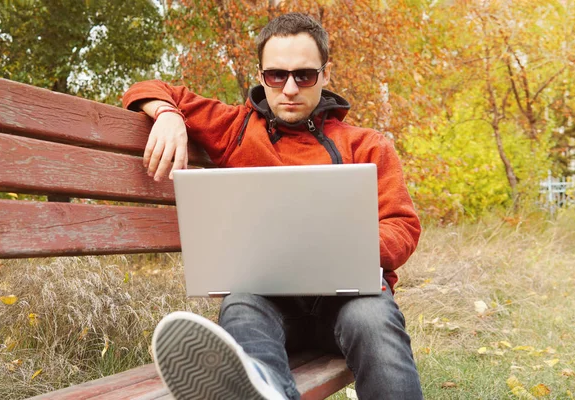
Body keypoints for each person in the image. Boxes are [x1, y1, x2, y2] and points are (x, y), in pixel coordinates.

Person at [123, 12, 423, 400]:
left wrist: (349, 242)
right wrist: (166, 113)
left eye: (305, 75)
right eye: (276, 75)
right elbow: (146, 87)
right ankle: (264, 390)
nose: (290, 88)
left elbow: (402, 225)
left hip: (351, 301)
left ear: (325, 75)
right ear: (262, 76)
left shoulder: (367, 145)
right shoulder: (234, 129)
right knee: (241, 305)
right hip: (270, 304)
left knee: (372, 319)